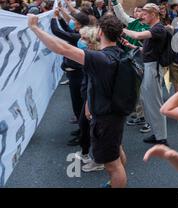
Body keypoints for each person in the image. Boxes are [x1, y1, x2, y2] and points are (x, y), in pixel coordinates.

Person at [28, 14, 128, 188]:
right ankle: (114, 182)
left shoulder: (102, 59)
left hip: (106, 118)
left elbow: (63, 49)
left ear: (100, 32)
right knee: (116, 151)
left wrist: (35, 28)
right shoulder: (118, 53)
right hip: (115, 113)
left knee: (113, 165)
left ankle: (116, 182)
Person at [122, 3, 169, 144]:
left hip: (153, 68)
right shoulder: (154, 28)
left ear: (154, 14)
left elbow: (136, 35)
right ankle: (158, 134)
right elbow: (147, 50)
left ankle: (161, 137)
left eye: (145, 13)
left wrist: (122, 29)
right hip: (150, 66)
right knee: (148, 100)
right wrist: (131, 46)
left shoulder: (158, 28)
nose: (142, 16)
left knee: (155, 103)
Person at [50, 9, 90, 142]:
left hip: (77, 74)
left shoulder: (79, 37)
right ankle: (81, 129)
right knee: (77, 104)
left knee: (78, 104)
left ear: (81, 24)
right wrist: (60, 18)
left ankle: (83, 135)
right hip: (75, 74)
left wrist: (53, 18)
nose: (74, 24)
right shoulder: (79, 34)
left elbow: (58, 32)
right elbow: (67, 29)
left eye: (76, 22)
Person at [74, 26, 105, 173]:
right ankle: (96, 157)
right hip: (92, 99)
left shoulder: (96, 57)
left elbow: (94, 84)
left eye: (85, 39)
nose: (81, 41)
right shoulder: (93, 54)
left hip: (95, 102)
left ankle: (99, 160)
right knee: (90, 128)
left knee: (96, 131)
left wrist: (88, 104)